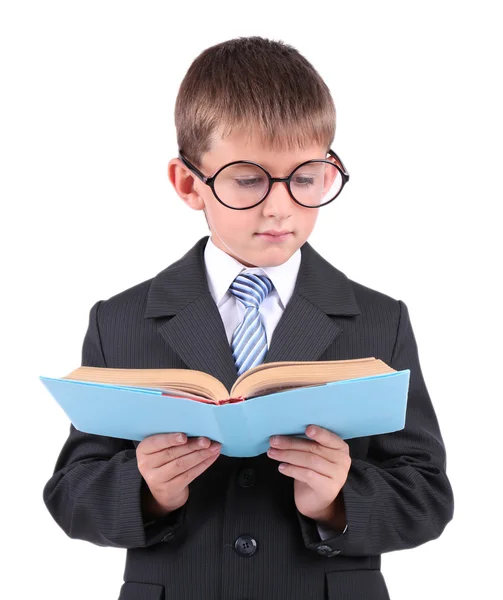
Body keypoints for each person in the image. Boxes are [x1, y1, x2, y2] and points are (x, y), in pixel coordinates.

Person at [43, 36, 454, 600]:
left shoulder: (381, 321)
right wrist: (146, 489)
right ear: (190, 183)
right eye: (249, 179)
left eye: (306, 178)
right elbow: (71, 493)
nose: (280, 206)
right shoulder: (121, 320)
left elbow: (428, 495)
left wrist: (338, 498)